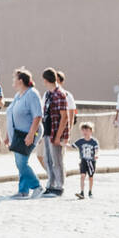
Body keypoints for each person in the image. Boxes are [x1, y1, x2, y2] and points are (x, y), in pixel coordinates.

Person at [4, 68, 44, 197]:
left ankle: (37, 186)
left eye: (14, 79)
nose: (13, 82)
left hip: (29, 133)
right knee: (19, 162)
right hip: (17, 134)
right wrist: (7, 135)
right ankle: (23, 190)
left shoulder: (32, 94)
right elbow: (11, 115)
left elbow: (37, 116)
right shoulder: (19, 95)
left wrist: (31, 134)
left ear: (20, 80)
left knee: (21, 163)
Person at [40, 68, 71, 197]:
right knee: (48, 159)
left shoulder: (60, 94)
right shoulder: (48, 94)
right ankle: (51, 184)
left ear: (46, 80)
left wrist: (58, 136)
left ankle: (59, 186)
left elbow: (65, 117)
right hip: (47, 130)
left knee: (57, 160)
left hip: (55, 131)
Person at [72, 122, 99, 199]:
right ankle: (82, 192)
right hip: (83, 160)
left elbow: (96, 150)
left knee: (90, 177)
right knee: (82, 176)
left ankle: (90, 191)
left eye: (86, 130)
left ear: (91, 131)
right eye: (83, 130)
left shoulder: (94, 142)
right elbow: (72, 146)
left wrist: (96, 155)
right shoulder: (80, 141)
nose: (85, 132)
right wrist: (63, 144)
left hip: (91, 161)